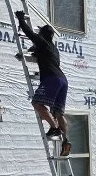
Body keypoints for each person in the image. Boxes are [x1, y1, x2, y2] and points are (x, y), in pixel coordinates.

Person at [14, 10, 71, 157]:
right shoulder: (53, 48)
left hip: (52, 78)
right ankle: (66, 140)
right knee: (58, 112)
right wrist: (33, 52)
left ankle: (54, 128)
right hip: (63, 80)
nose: (38, 35)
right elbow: (42, 54)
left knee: (37, 104)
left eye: (40, 33)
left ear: (43, 35)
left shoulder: (43, 42)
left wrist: (20, 19)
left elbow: (29, 33)